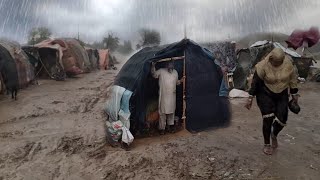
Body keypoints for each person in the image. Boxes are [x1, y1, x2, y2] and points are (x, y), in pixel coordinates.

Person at [245, 48, 299, 155]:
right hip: (265, 93)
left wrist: (294, 94)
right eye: (275, 62)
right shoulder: (262, 66)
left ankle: (274, 134)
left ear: (283, 59)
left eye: (279, 62)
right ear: (271, 58)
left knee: (282, 119)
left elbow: (292, 79)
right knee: (268, 118)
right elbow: (255, 83)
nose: (277, 64)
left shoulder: (288, 64)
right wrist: (250, 98)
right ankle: (267, 143)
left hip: (282, 93)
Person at [151, 60, 184, 135]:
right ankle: (162, 128)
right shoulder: (161, 71)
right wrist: (153, 66)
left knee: (171, 112)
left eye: (172, 64)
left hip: (172, 96)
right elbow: (154, 75)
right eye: (169, 64)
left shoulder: (175, 72)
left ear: (173, 65)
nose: (170, 66)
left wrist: (181, 81)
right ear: (166, 65)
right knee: (163, 112)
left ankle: (171, 126)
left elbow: (177, 82)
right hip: (163, 96)